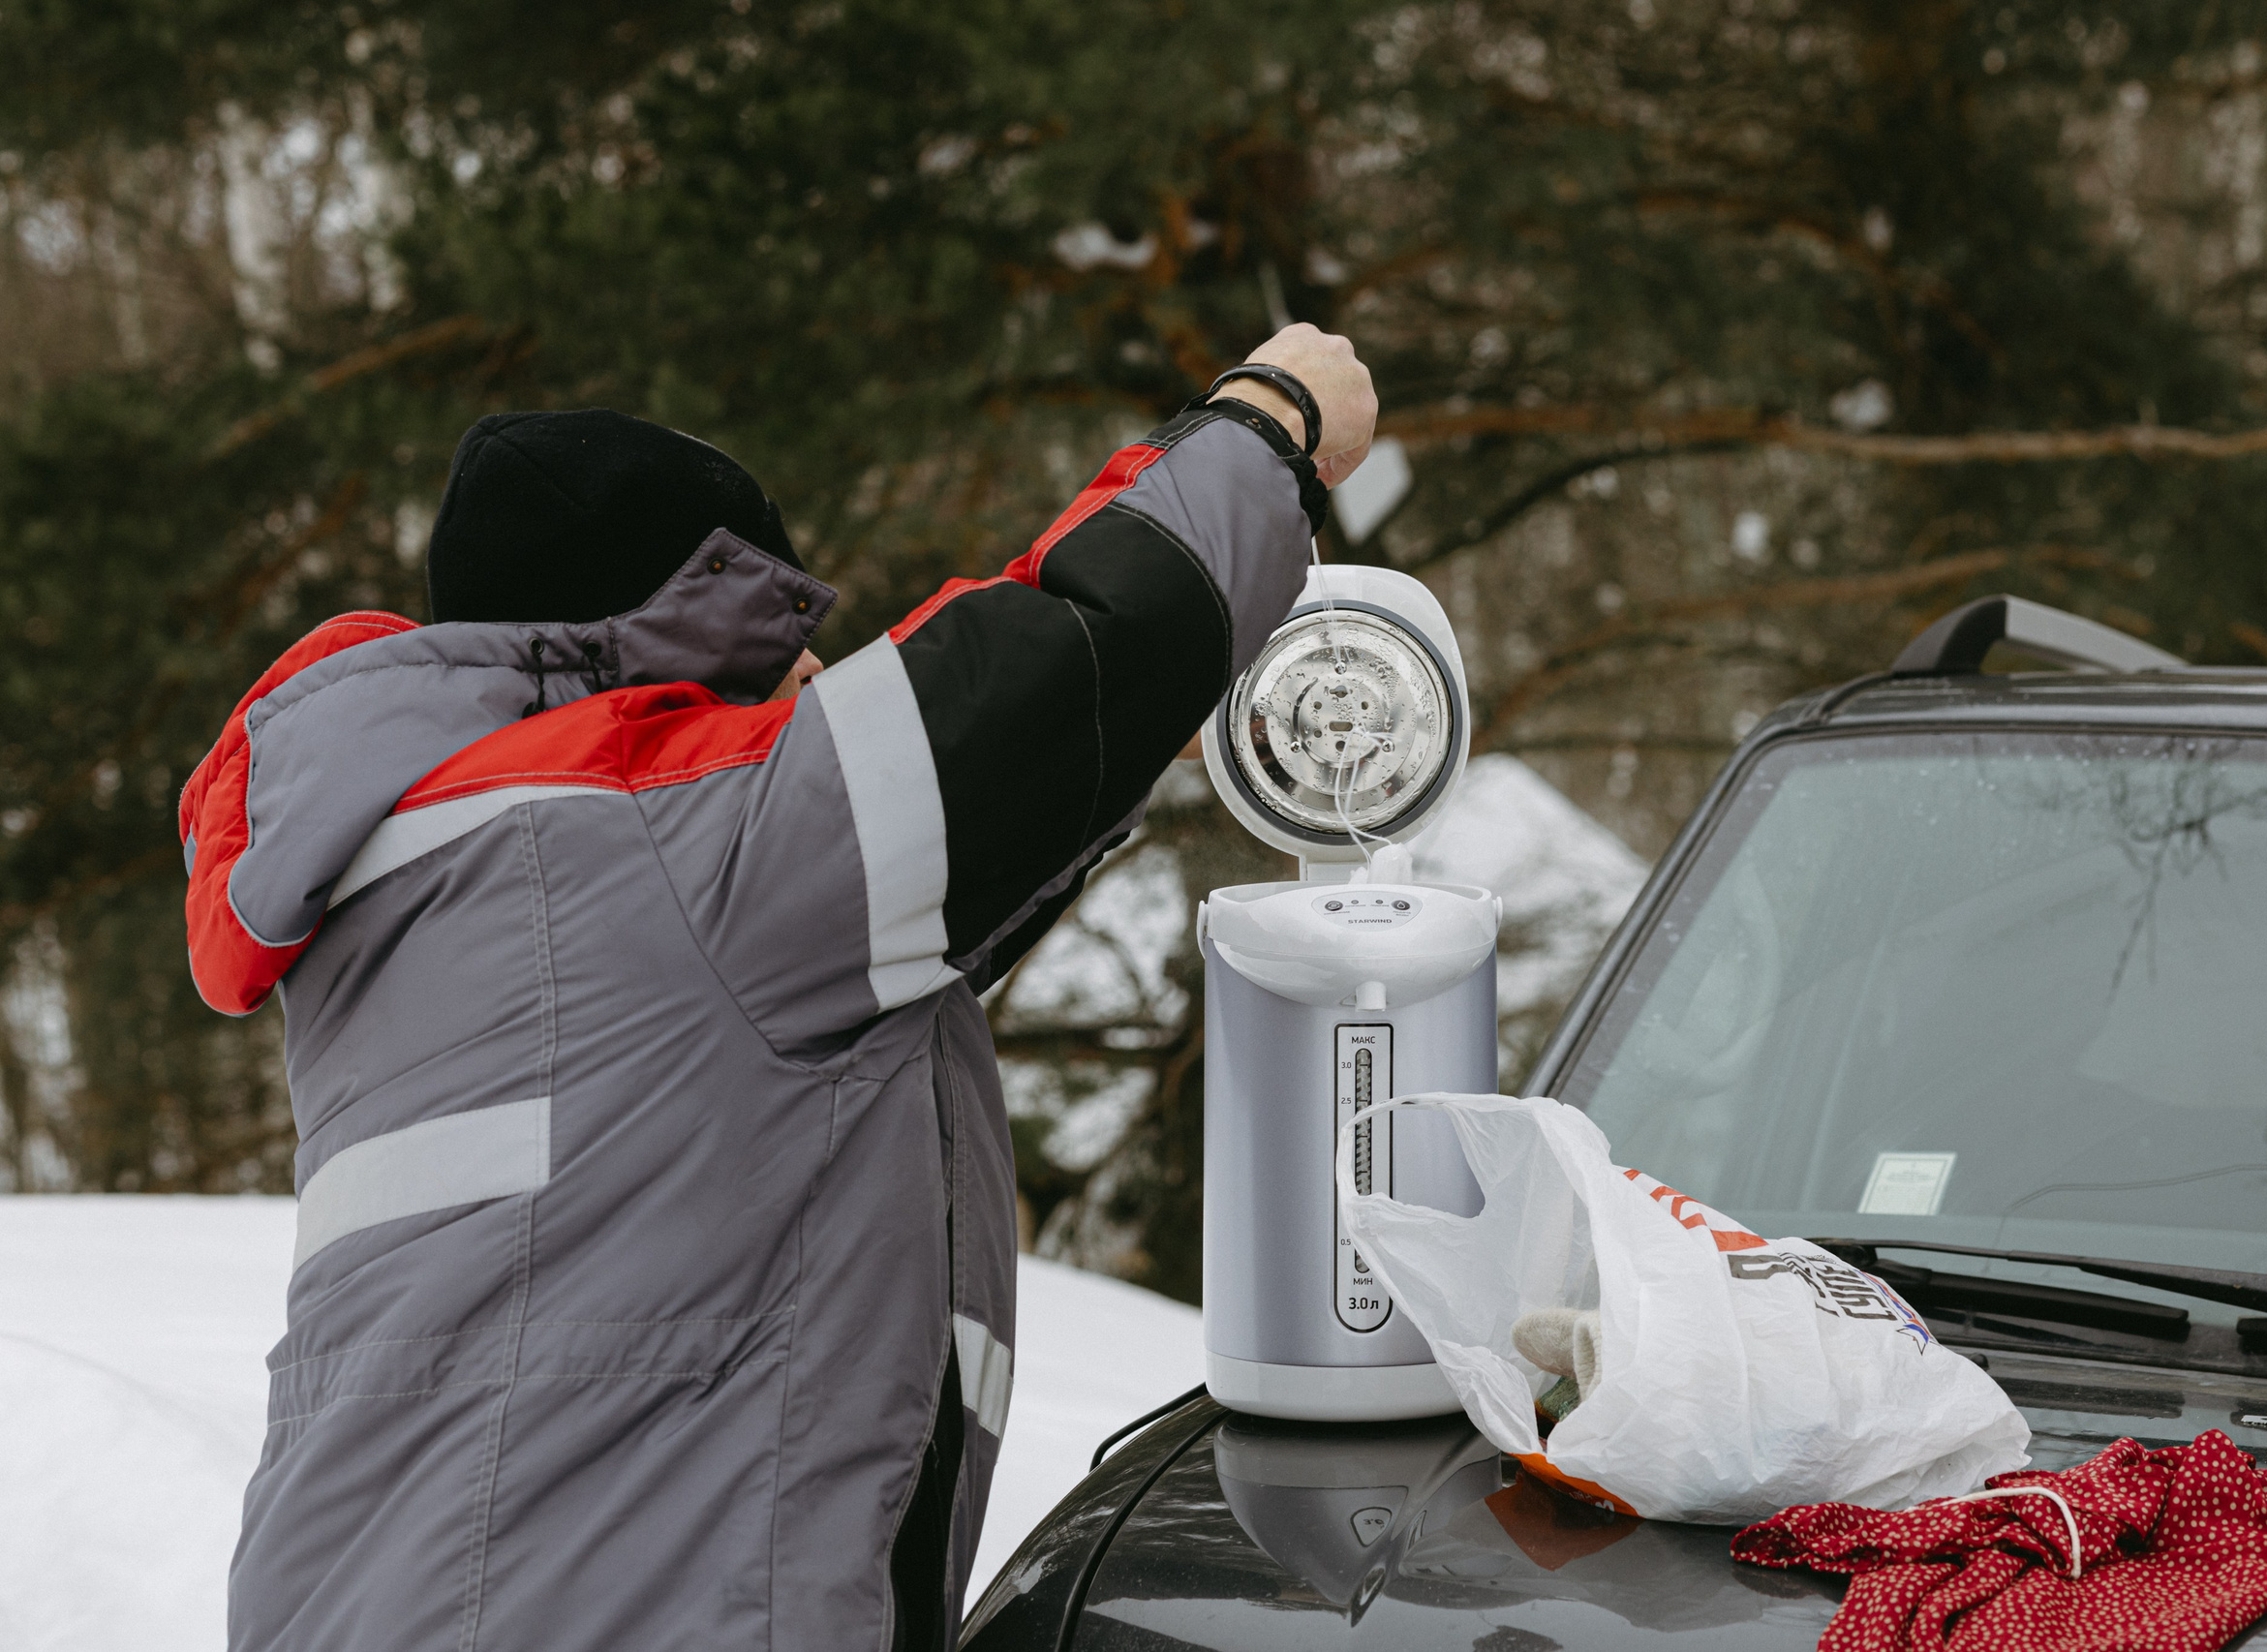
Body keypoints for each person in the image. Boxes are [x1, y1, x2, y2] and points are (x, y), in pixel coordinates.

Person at [179, 325, 1376, 1651]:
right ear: (676, 624)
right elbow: (1074, 658)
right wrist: (1267, 423)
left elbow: (800, 1033)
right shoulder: (688, 842)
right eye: (778, 623)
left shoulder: (427, 883)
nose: (817, 669)